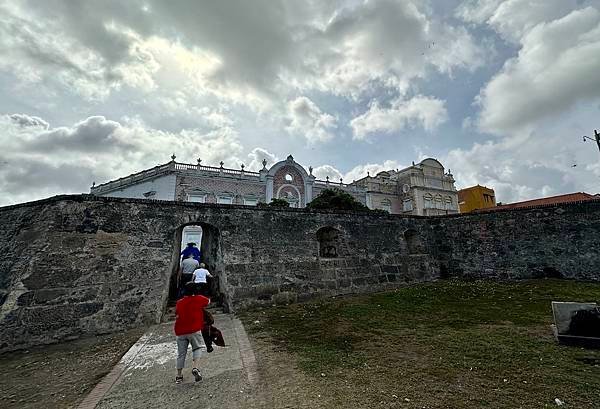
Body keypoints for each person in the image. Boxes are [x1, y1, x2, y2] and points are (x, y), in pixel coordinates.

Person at [174, 284, 210, 384]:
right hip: (194, 329)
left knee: (181, 354)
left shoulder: (179, 302)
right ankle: (195, 368)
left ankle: (179, 376)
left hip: (180, 331)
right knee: (197, 348)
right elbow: (208, 302)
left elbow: (176, 313)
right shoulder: (199, 298)